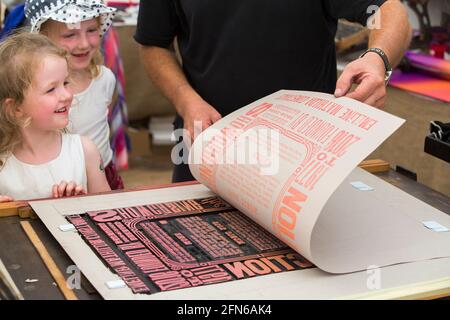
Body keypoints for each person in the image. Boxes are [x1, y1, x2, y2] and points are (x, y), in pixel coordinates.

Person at [134, 0, 412, 183]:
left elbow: (387, 10)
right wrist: (186, 100)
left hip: (303, 156)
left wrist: (377, 58)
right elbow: (153, 43)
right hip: (208, 143)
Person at [24, 0, 125, 189]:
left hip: (102, 173)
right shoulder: (33, 91)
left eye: (92, 30)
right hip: (58, 181)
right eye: (70, 34)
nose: (84, 44)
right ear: (43, 37)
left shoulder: (105, 79)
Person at [0, 32, 111, 202]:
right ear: (15, 108)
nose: (66, 95)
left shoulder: (84, 150)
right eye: (51, 89)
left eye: (65, 83)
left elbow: (109, 209)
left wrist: (81, 203)